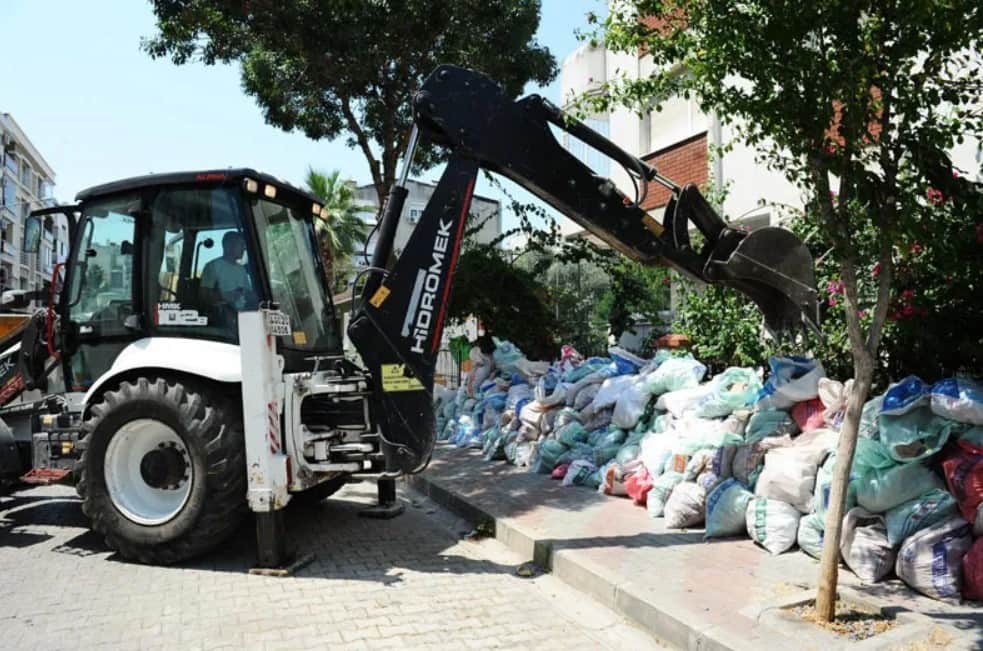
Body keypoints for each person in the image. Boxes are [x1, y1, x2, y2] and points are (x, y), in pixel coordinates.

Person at [200, 231, 252, 310]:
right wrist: (226, 296)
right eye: (241, 244)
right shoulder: (212, 266)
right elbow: (205, 296)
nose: (244, 248)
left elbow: (248, 294)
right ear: (228, 246)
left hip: (244, 314)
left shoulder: (241, 270)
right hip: (222, 315)